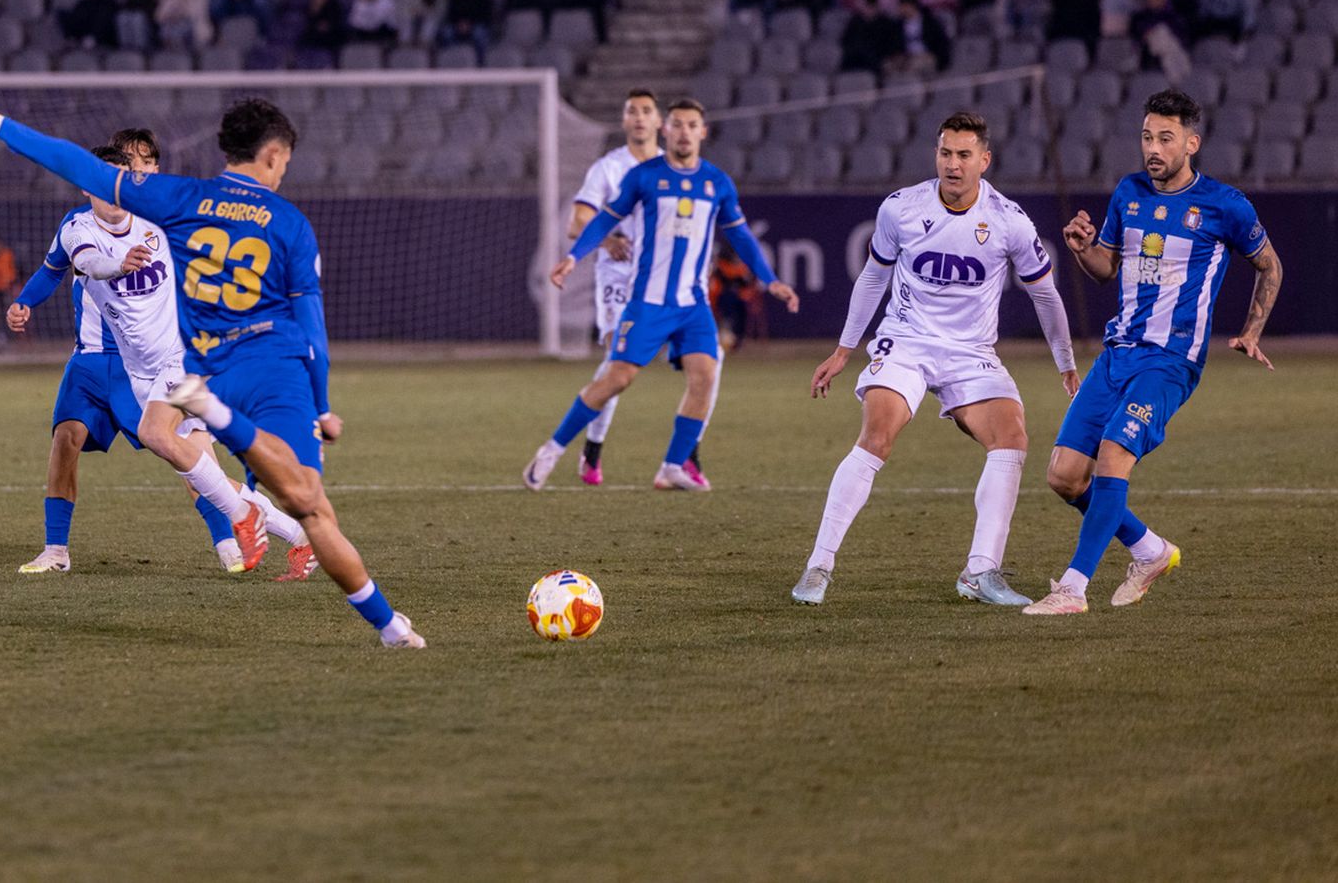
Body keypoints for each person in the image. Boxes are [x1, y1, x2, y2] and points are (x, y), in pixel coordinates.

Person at [0, 92, 426, 648]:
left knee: (195, 449)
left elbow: (73, 162)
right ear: (271, 155)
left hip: (196, 362)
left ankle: (254, 520)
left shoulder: (180, 200)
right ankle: (268, 526)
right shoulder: (290, 223)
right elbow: (311, 324)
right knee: (289, 494)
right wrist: (322, 404)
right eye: (287, 162)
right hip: (253, 367)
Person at [791, 112, 1078, 608]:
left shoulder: (1009, 221)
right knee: (877, 436)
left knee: (1011, 437)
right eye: (946, 153)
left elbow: (1046, 297)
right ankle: (818, 566)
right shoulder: (901, 208)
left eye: (964, 155)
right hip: (906, 340)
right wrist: (843, 350)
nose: (953, 164)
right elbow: (873, 279)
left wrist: (1066, 364)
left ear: (984, 161)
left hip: (971, 352)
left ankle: (980, 573)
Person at [7, 133, 313, 579]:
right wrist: (27, 301)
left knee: (178, 450)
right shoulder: (77, 229)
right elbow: (84, 263)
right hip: (122, 363)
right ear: (88, 187)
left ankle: (242, 530)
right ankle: (293, 533)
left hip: (181, 355)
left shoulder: (161, 222)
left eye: (144, 166)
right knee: (172, 456)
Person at [1025, 90, 1283, 615]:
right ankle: (1150, 551)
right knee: (1064, 475)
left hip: (1170, 362)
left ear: (1192, 142)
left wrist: (1252, 330)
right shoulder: (1129, 192)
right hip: (1118, 353)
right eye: (1147, 136)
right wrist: (1082, 249)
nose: (1153, 148)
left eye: (1166, 138)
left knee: (1114, 456)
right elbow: (1108, 267)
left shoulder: (1225, 205)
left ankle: (1072, 589)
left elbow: (1270, 266)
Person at [526, 98, 799, 492]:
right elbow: (606, 217)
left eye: (692, 125)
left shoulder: (717, 183)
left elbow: (739, 234)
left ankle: (673, 465)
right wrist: (573, 257)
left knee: (706, 374)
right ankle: (552, 449)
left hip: (692, 305)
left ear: (703, 132)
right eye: (678, 124)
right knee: (617, 378)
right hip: (648, 302)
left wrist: (770, 279)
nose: (685, 131)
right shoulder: (645, 177)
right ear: (666, 130)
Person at [565, 89, 710, 487]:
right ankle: (593, 451)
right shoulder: (608, 169)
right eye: (632, 111)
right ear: (625, 121)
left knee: (702, 366)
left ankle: (686, 458)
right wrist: (608, 240)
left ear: (660, 124)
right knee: (618, 361)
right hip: (619, 278)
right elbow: (577, 222)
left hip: (670, 284)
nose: (640, 118)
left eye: (647, 111)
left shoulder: (681, 171)